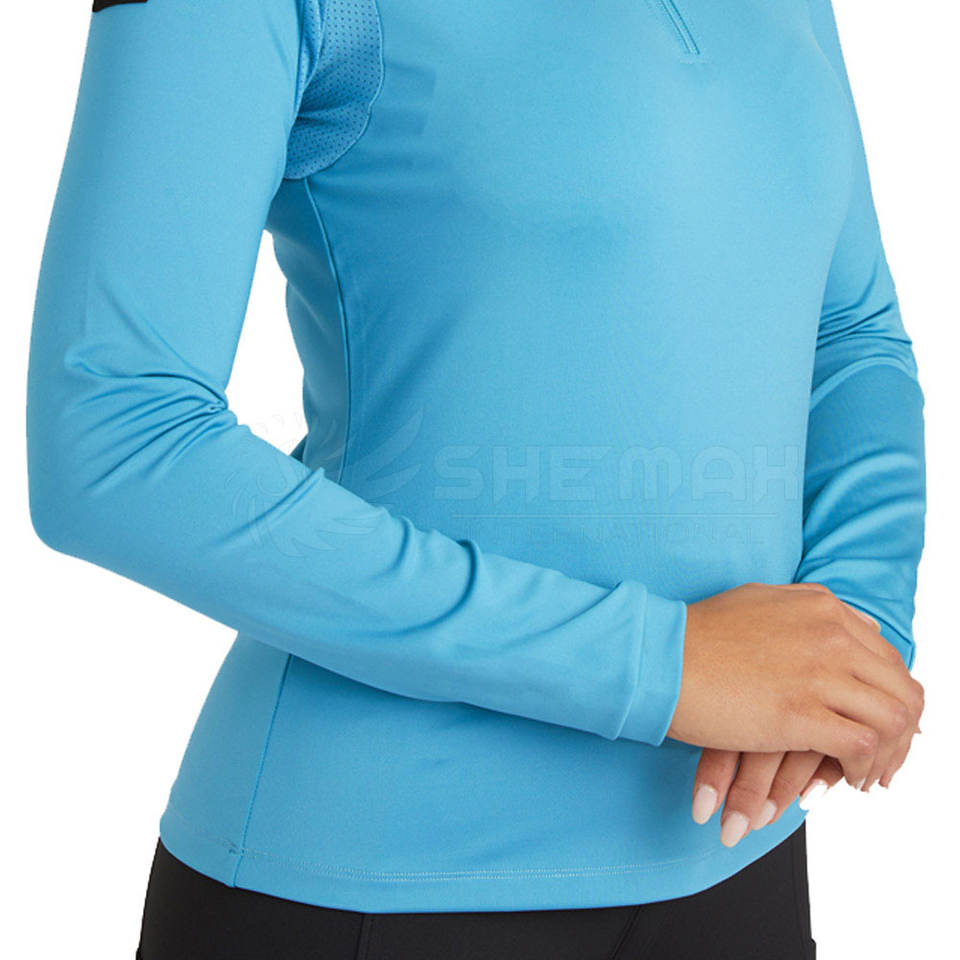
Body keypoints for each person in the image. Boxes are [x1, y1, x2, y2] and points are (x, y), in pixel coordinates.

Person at [26, 1, 926, 958]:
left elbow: (850, 331)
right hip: (373, 882)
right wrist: (660, 665)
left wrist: (852, 636)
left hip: (737, 856)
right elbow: (116, 438)